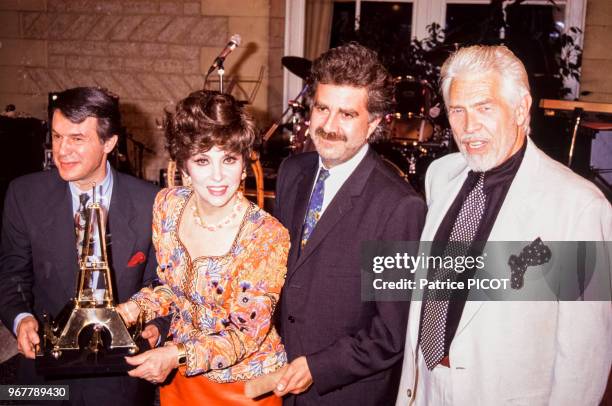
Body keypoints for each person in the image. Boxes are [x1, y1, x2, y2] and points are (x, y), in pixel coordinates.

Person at [396, 45, 612, 406]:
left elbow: (583, 359)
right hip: (427, 386)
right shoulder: (441, 175)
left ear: (521, 108)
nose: (468, 127)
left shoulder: (580, 207)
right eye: (457, 111)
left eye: (484, 108)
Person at [272, 42, 426, 405]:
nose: (328, 126)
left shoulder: (400, 206)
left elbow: (391, 333)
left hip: (343, 393)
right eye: (322, 108)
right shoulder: (292, 172)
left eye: (347, 115)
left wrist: (318, 367)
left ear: (373, 124)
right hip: (279, 382)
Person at [116, 90, 289, 406]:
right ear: (183, 165)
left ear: (244, 162)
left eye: (229, 159)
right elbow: (171, 289)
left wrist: (176, 354)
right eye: (202, 160)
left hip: (244, 388)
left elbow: (246, 336)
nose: (218, 176)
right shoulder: (167, 206)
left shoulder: (266, 235)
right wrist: (132, 309)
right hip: (182, 380)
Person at [0, 86, 165, 405]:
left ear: (110, 142)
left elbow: (161, 282)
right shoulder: (23, 195)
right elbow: (11, 276)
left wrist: (157, 326)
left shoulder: (152, 202)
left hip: (119, 382)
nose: (62, 150)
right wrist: (21, 319)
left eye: (77, 139)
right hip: (41, 382)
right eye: (57, 136)